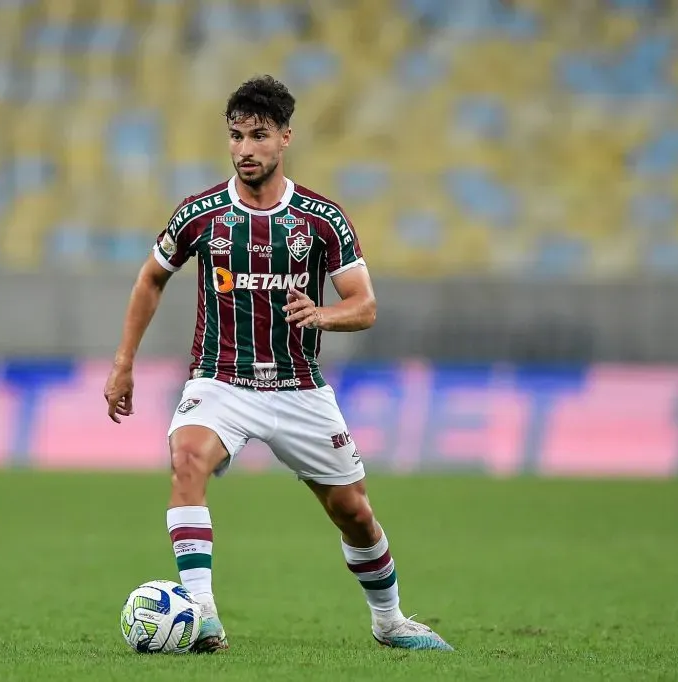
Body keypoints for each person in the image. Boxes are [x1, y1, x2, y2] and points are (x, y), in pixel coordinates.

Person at [103, 75, 453, 653]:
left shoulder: (321, 219)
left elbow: (364, 305)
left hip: (299, 389)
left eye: (258, 135)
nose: (244, 149)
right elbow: (151, 277)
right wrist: (124, 364)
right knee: (186, 457)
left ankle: (389, 621)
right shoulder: (201, 213)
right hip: (220, 380)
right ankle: (204, 617)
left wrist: (323, 316)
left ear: (285, 138)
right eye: (236, 136)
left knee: (355, 513)